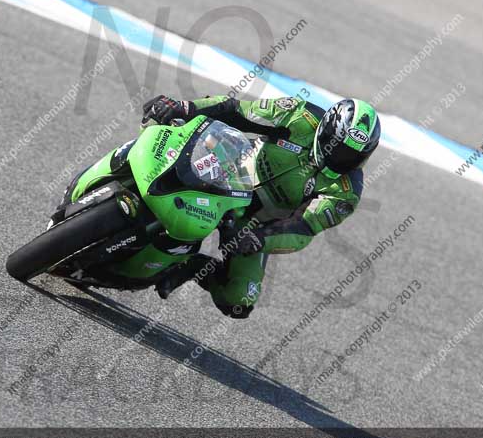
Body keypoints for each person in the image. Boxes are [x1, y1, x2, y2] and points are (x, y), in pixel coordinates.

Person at [144, 94, 381, 319]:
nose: (339, 158)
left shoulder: (346, 192)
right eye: (337, 147)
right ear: (326, 129)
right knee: (171, 147)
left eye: (351, 156)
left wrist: (260, 238)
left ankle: (193, 267)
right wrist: (185, 107)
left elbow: (303, 228)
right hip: (227, 173)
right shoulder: (299, 115)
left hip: (252, 226)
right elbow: (236, 110)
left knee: (239, 300)